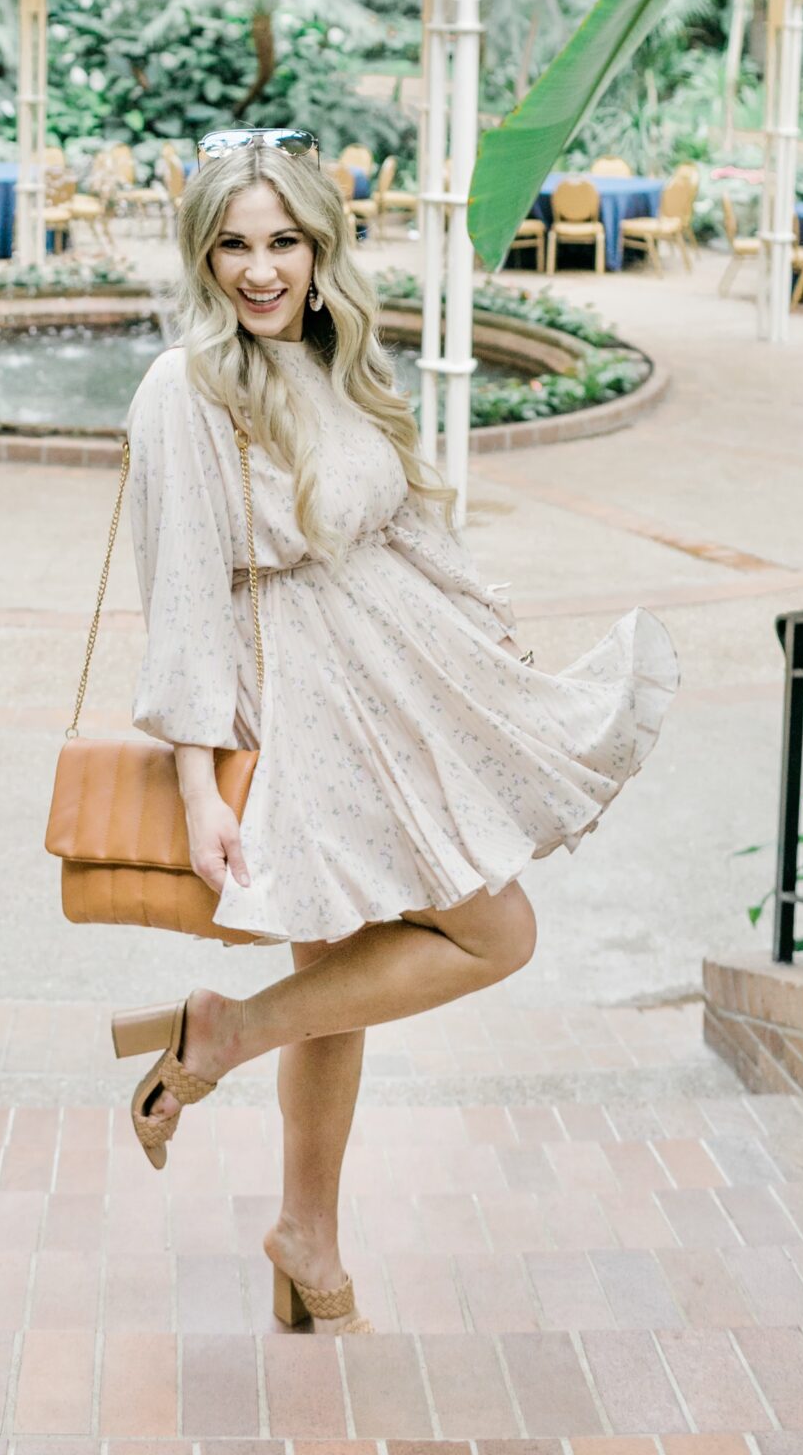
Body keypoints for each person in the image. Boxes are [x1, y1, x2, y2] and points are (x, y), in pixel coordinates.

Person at [112, 127, 678, 1337]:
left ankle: (304, 1230)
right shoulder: (186, 387)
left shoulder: (327, 361)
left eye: (284, 241)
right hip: (305, 699)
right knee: (492, 930)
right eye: (234, 244)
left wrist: (487, 647)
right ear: (201, 255)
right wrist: (202, 787)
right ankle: (230, 1043)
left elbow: (408, 525)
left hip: (398, 689)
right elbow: (185, 597)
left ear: (321, 250)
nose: (261, 269)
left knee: (345, 982)